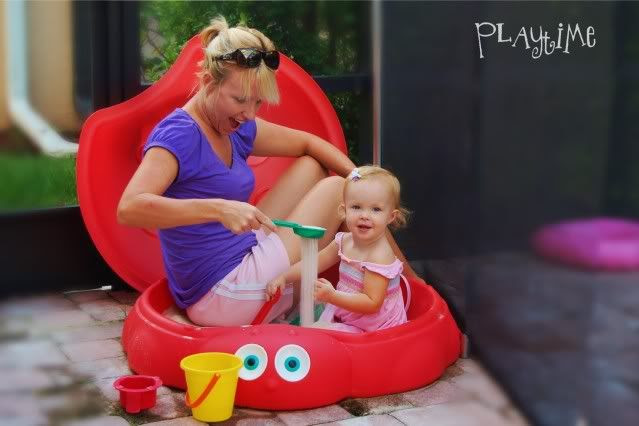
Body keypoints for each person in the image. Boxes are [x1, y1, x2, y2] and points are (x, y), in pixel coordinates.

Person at [118, 16, 415, 327]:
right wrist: (218, 209)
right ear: (207, 82)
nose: (249, 113)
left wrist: (361, 179)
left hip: (242, 253)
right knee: (335, 189)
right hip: (221, 294)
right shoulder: (179, 135)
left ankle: (395, 274)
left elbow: (309, 143)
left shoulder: (236, 125)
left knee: (314, 167)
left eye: (257, 102)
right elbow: (129, 208)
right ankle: (404, 279)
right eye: (240, 100)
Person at [266, 166, 410, 333]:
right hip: (347, 310)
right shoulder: (344, 241)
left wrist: (332, 296)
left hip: (374, 328)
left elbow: (372, 303)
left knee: (318, 336)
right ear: (344, 210)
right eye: (356, 207)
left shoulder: (379, 255)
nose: (364, 215)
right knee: (310, 323)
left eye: (376, 209)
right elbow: (314, 262)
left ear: (390, 217)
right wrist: (285, 276)